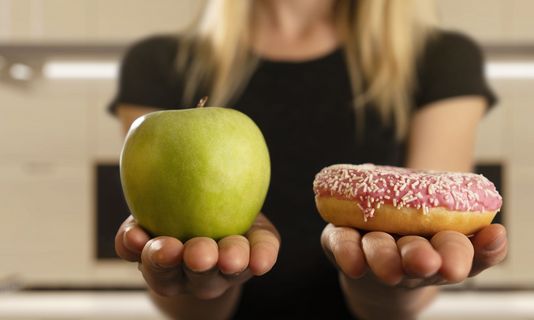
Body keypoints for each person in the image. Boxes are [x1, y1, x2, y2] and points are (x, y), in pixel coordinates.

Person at [111, 0, 508, 319]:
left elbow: (432, 227)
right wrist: (203, 286)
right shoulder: (158, 63)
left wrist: (384, 288)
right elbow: (176, 289)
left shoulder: (441, 58)